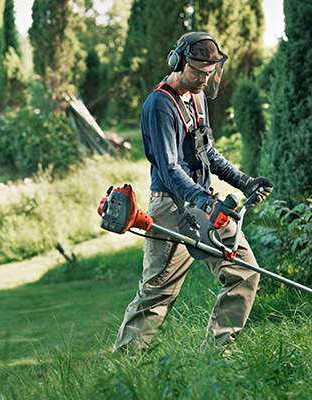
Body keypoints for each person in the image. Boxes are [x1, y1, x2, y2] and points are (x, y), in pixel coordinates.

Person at [113, 32, 274, 352]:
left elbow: (208, 153)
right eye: (198, 71)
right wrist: (204, 200)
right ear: (178, 62)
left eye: (210, 72)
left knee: (244, 272)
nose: (204, 78)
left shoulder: (197, 98)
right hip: (172, 208)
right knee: (157, 293)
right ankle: (122, 368)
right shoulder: (160, 105)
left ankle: (217, 356)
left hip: (204, 203)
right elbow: (170, 168)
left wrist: (243, 181)